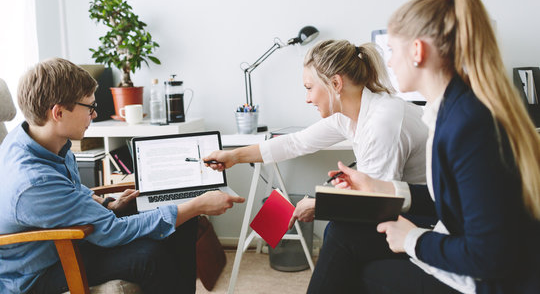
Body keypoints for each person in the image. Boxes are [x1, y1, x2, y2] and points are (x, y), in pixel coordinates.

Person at [323, 0, 540, 293]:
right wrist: (380, 188)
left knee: (361, 269)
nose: (390, 63)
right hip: (471, 254)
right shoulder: (452, 110)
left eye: (393, 52)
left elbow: (488, 255)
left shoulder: (468, 125)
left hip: (489, 280)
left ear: (417, 51)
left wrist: (412, 239)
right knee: (344, 233)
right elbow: (453, 199)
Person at [0, 58, 245, 294]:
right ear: (58, 112)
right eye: (90, 107)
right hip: (39, 271)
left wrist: (107, 203)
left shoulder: (40, 139)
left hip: (69, 238)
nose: (94, 115)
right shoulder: (33, 181)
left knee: (179, 214)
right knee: (149, 257)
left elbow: (68, 192)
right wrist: (197, 205)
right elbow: (111, 231)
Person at [204, 39, 428, 227]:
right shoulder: (347, 115)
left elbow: (376, 202)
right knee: (337, 229)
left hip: (425, 210)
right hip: (394, 202)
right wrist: (234, 156)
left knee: (339, 229)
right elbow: (296, 142)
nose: (307, 99)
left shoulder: (382, 121)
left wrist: (318, 205)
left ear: (336, 83)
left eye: (309, 88)